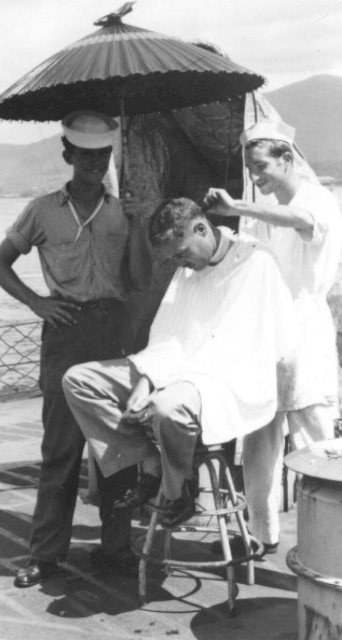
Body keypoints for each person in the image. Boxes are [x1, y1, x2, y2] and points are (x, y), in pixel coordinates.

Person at [63, 197, 300, 528]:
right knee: (80, 379)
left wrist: (163, 384)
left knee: (166, 407)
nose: (181, 264)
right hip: (176, 368)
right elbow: (169, 337)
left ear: (201, 228)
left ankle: (178, 492)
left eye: (181, 253)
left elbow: (243, 348)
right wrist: (146, 379)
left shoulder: (255, 261)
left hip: (223, 378)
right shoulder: (190, 270)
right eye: (174, 258)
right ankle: (149, 462)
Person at [0, 110, 152, 587]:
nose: (96, 164)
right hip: (65, 334)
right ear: (68, 156)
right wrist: (38, 303)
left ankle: (116, 548)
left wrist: (139, 227)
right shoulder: (41, 210)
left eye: (103, 155)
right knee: (60, 450)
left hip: (114, 334)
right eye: (86, 156)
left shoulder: (124, 212)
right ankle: (45, 555)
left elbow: (140, 279)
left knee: (116, 446)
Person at [203, 119, 342, 552]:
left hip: (303, 329)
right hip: (264, 331)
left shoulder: (319, 201)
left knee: (317, 438)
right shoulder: (259, 213)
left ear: (287, 158)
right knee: (259, 437)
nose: (255, 176)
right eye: (249, 169)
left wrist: (241, 208)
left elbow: (302, 221)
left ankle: (334, 543)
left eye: (260, 166)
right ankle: (260, 534)